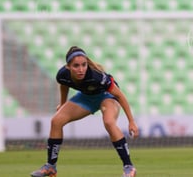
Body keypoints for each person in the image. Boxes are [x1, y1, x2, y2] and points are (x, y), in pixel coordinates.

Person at [30, 46, 139, 177]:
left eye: (84, 65)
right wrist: (63, 104)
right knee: (56, 121)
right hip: (87, 97)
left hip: (107, 97)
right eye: (76, 66)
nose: (81, 69)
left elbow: (120, 95)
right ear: (68, 66)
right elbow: (64, 85)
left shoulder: (96, 76)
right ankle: (50, 167)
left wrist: (131, 121)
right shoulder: (62, 75)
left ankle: (129, 167)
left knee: (109, 122)